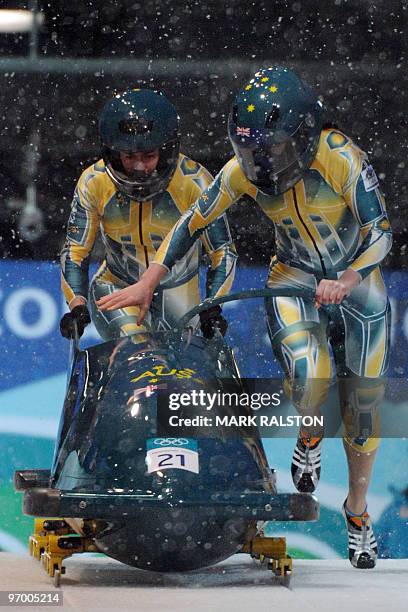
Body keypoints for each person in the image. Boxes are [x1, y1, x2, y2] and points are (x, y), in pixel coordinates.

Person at [97, 67, 393, 568]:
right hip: (293, 278)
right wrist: (150, 280)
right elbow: (193, 224)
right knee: (312, 376)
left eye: (272, 149)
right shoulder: (241, 173)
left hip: (359, 286)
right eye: (251, 151)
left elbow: (380, 229)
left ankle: (357, 511)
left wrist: (349, 278)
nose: (262, 163)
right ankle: (309, 434)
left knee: (364, 410)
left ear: (302, 136)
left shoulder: (341, 157)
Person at [59, 88, 237, 343]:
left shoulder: (195, 182)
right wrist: (77, 305)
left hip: (179, 294)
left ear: (165, 151)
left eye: (149, 156)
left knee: (178, 371)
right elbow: (75, 251)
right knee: (137, 350)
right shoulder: (93, 182)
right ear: (113, 154)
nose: (139, 166)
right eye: (129, 156)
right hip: (117, 288)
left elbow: (222, 250)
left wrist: (212, 305)